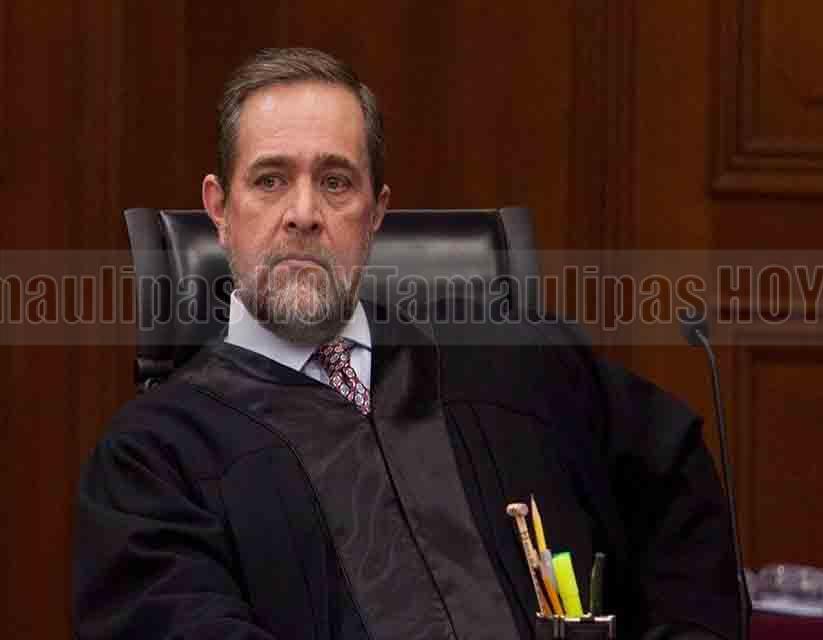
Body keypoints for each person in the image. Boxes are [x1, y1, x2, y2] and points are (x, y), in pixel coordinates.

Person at [73, 48, 740, 640]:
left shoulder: (514, 359)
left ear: (377, 212)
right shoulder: (155, 459)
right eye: (270, 179)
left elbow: (677, 505)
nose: (303, 214)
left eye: (336, 182)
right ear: (219, 209)